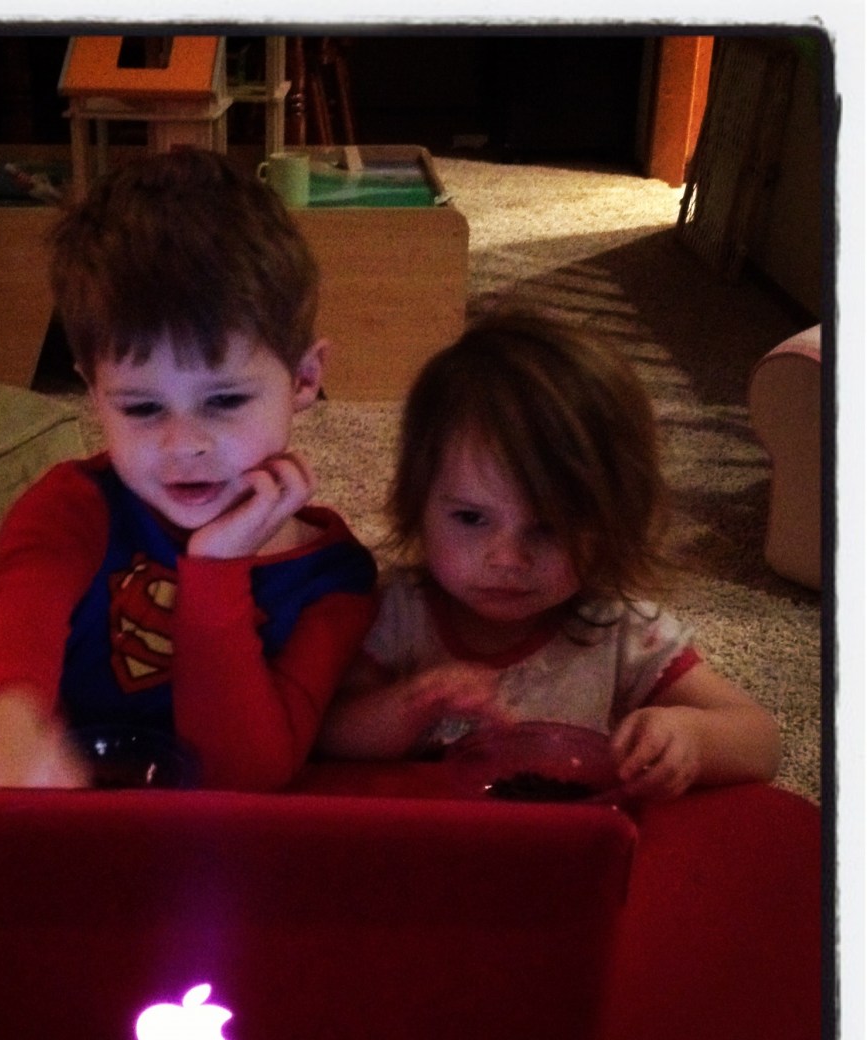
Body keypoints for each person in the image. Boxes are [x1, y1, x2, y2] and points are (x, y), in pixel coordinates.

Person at [0, 148, 376, 790]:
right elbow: (11, 618)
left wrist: (217, 571)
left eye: (225, 400)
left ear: (305, 379)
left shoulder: (336, 578)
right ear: (94, 393)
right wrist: (4, 724)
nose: (184, 445)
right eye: (142, 407)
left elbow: (244, 778)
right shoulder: (75, 506)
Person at [318, 306, 780, 802]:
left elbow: (761, 741)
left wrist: (689, 735)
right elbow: (325, 735)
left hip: (570, 840)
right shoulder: (396, 614)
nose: (507, 559)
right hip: (430, 836)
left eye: (549, 528)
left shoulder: (620, 629)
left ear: (612, 522)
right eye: (471, 518)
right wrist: (412, 704)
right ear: (417, 502)